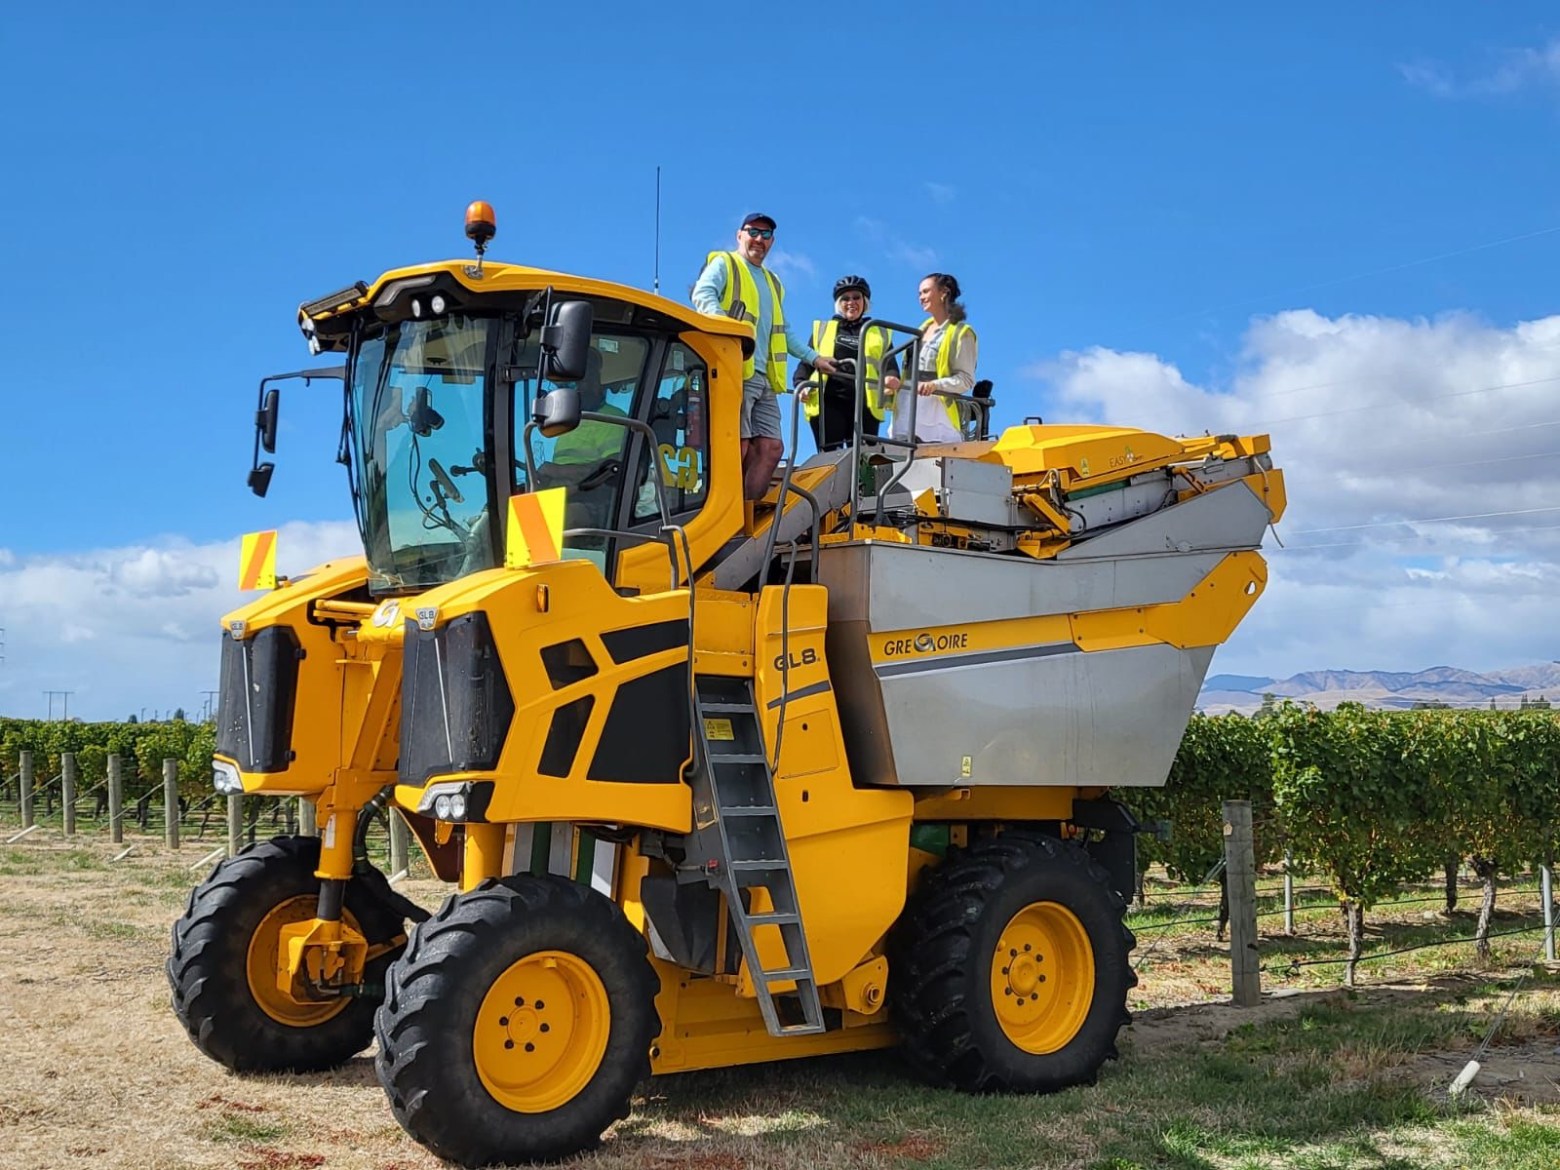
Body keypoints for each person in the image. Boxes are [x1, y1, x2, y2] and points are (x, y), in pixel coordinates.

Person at [692, 212, 837, 498]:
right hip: (734, 370)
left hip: (764, 379)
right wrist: (730, 332)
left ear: (772, 242)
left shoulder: (773, 282)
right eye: (753, 232)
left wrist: (814, 358)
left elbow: (782, 331)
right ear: (739, 235)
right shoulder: (726, 263)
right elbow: (703, 294)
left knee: (771, 446)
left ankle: (745, 510)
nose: (759, 239)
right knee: (739, 444)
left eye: (766, 234)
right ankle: (723, 510)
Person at [792, 275, 898, 452]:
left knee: (864, 460)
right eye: (845, 298)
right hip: (829, 400)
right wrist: (800, 384)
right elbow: (807, 361)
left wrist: (892, 377)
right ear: (838, 303)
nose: (851, 302)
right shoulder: (824, 329)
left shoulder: (878, 331)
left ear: (864, 302)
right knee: (830, 456)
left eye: (856, 297)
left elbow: (890, 364)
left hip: (865, 404)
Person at [883, 272, 977, 445]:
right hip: (905, 416)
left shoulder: (961, 333)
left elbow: (966, 379)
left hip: (935, 419)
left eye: (926, 292)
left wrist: (935, 385)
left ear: (944, 293)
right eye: (920, 293)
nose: (921, 297)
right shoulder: (919, 332)